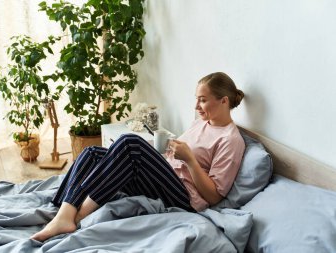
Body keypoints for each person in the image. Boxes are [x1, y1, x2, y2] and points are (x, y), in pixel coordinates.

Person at [31, 72, 246, 242]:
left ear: (224, 101)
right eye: (197, 100)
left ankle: (76, 217)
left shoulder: (231, 140)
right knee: (92, 153)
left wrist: (189, 160)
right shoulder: (200, 122)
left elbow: (215, 196)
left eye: (202, 100)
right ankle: (63, 210)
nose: (196, 106)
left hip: (185, 197)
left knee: (130, 144)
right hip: (166, 176)